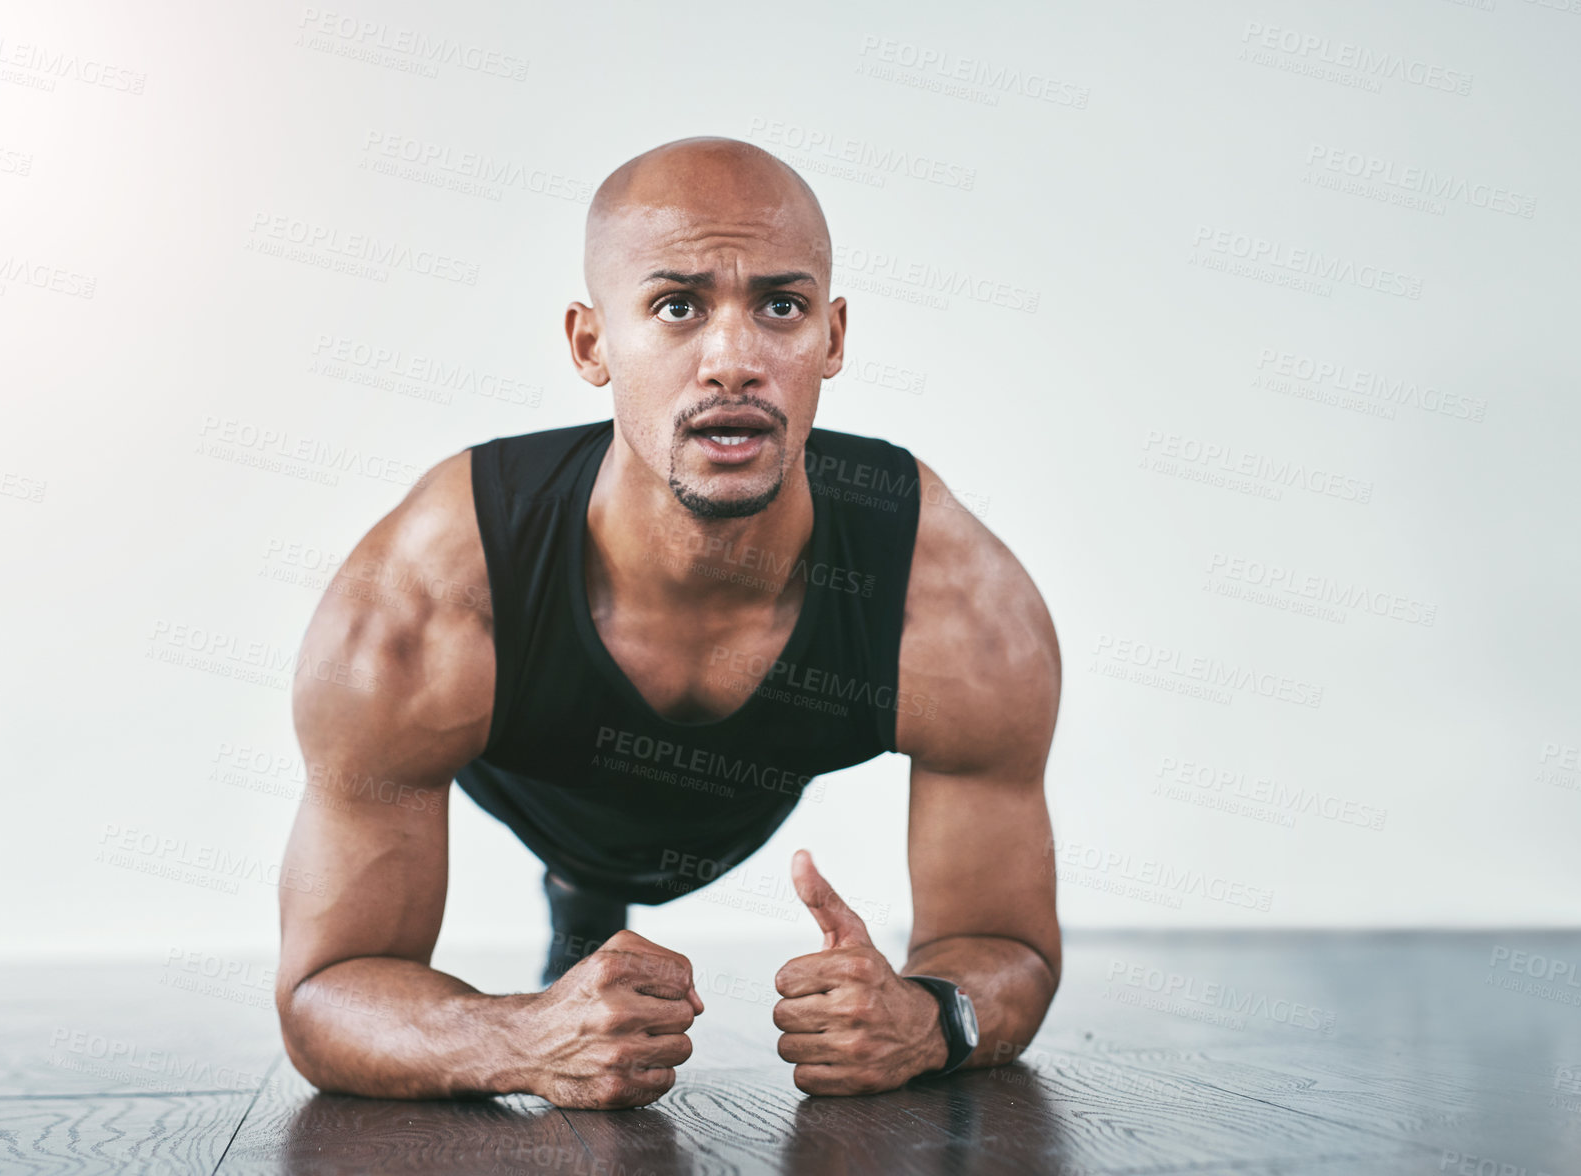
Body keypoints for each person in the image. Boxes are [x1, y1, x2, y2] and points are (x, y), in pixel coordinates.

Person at [274, 136, 1062, 1110]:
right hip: (543, 783)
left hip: (747, 783)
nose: (732, 361)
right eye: (676, 307)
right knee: (581, 885)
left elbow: (1011, 950)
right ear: (590, 344)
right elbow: (322, 991)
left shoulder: (950, 601)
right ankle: (583, 898)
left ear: (833, 337)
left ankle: (590, 906)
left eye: (780, 306)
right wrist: (524, 1036)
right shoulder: (429, 592)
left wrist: (934, 1019)